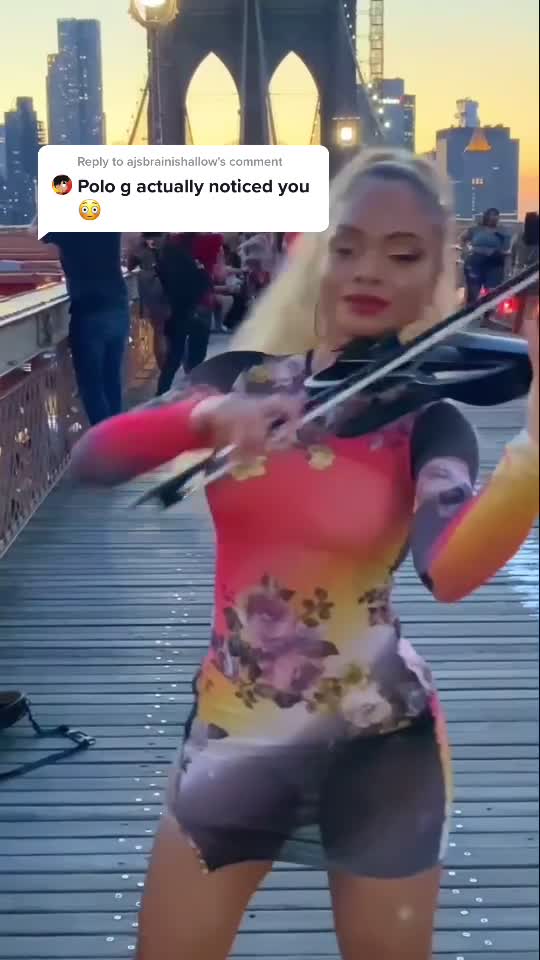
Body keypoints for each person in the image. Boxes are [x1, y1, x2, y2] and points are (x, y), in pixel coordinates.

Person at [70, 150, 540, 960]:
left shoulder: (430, 421)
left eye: (404, 255)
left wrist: (532, 454)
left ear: (435, 277)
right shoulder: (241, 381)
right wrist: (203, 418)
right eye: (347, 245)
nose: (369, 270)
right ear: (314, 253)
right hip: (234, 733)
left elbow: (450, 569)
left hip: (381, 747)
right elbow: (96, 458)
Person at [41, 232, 129, 425]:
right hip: (118, 305)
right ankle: (117, 432)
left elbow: (35, 230)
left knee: (91, 385)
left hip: (89, 311)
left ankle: (106, 438)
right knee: (111, 379)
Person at [154, 233, 213, 396]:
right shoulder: (187, 256)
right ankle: (192, 391)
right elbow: (203, 281)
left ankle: (162, 392)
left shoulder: (165, 257)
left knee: (173, 358)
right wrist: (201, 271)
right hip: (192, 310)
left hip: (176, 312)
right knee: (194, 357)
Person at [127, 233, 169, 371]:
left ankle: (164, 370)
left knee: (158, 331)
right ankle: (172, 367)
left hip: (150, 286)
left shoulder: (141, 243)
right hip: (169, 284)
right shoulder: (168, 239)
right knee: (170, 330)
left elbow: (130, 265)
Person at [461, 207, 509, 304]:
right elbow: (462, 239)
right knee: (473, 293)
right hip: (476, 263)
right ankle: (471, 310)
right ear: (486, 216)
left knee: (492, 293)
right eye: (492, 215)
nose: (494, 217)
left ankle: (488, 311)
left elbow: (507, 248)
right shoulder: (476, 229)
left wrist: (502, 254)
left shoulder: (502, 231)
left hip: (494, 265)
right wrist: (466, 251)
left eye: (496, 215)